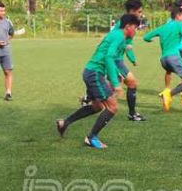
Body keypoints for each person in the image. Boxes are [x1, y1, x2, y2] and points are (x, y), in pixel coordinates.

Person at [56, 14, 141, 149]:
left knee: (97, 107)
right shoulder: (119, 36)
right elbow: (108, 57)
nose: (136, 30)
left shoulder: (117, 35)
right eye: (136, 27)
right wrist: (115, 83)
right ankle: (91, 137)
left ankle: (65, 122)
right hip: (95, 74)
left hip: (90, 71)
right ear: (128, 26)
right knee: (112, 107)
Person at [113, 0, 146, 121]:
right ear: (132, 11)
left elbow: (128, 45)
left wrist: (132, 59)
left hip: (117, 59)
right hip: (114, 59)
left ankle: (88, 98)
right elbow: (115, 42)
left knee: (111, 86)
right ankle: (132, 114)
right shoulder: (122, 25)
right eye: (139, 11)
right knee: (131, 83)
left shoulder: (131, 24)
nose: (141, 14)